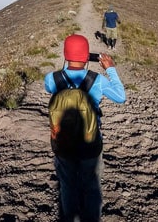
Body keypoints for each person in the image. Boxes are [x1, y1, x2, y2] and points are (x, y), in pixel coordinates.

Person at [44, 34, 126, 222]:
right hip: (91, 143)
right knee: (92, 185)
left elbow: (50, 89)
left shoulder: (52, 78)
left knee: (67, 185)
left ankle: (70, 217)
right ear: (86, 56)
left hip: (62, 144)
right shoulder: (97, 80)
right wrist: (111, 70)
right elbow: (120, 97)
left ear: (65, 54)